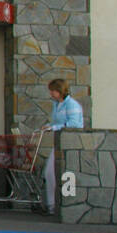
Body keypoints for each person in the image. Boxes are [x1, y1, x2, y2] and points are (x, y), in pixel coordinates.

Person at [42, 78, 84, 214]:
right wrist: (49, 127)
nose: (51, 93)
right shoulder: (57, 105)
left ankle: (54, 204)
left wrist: (54, 128)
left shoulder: (72, 105)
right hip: (59, 143)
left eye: (53, 90)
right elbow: (56, 122)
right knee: (49, 173)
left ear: (59, 91)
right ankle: (51, 204)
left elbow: (74, 124)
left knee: (57, 173)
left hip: (69, 143)